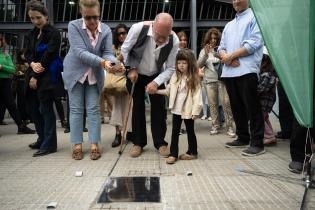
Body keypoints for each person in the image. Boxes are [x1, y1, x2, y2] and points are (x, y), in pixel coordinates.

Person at [63, 0, 117, 160]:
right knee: (76, 110)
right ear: (82, 14)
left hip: (94, 75)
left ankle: (94, 144)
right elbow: (79, 51)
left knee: (94, 110)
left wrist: (112, 63)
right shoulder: (73, 26)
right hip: (74, 73)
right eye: (88, 18)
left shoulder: (106, 29)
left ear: (99, 13)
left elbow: (107, 52)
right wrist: (102, 62)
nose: (92, 21)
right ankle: (77, 145)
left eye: (95, 17)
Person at [121, 12, 179, 158]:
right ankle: (138, 143)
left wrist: (156, 82)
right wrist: (131, 68)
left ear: (170, 30)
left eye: (164, 37)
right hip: (136, 73)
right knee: (138, 107)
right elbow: (125, 49)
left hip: (156, 74)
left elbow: (172, 67)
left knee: (159, 108)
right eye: (158, 35)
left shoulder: (174, 40)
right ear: (153, 26)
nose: (160, 40)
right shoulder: (137, 29)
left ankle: (160, 143)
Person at [218, 0, 265, 156]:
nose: (236, 1)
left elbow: (254, 44)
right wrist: (226, 57)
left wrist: (230, 56)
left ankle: (258, 143)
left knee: (253, 108)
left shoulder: (256, 17)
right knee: (236, 107)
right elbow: (221, 47)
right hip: (230, 71)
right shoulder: (229, 25)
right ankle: (243, 137)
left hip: (247, 70)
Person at [24, 0, 61, 157]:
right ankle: (42, 138)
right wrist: (32, 64)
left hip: (47, 76)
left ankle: (49, 144)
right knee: (33, 109)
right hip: (33, 73)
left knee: (45, 109)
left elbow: (49, 55)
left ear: (45, 15)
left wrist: (35, 75)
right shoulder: (30, 34)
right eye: (32, 18)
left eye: (38, 17)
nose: (35, 21)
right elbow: (26, 53)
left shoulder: (53, 33)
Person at [155, 49, 202, 164]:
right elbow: (169, 91)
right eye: (179, 62)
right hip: (176, 110)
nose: (181, 65)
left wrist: (196, 111)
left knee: (190, 131)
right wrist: (156, 91)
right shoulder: (175, 76)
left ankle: (192, 152)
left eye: (184, 63)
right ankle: (173, 154)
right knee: (174, 132)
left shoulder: (194, 78)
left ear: (190, 63)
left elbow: (197, 96)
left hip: (188, 110)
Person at [0, 35, 35, 135]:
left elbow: (12, 69)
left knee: (11, 104)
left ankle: (21, 126)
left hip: (5, 82)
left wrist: (2, 67)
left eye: (0, 40)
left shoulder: (5, 55)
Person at [109, 23, 131, 147]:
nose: (122, 35)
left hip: (129, 79)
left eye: (124, 33)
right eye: (119, 33)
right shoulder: (113, 48)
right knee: (117, 108)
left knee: (130, 108)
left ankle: (129, 132)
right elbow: (110, 65)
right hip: (117, 80)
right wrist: (119, 61)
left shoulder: (131, 46)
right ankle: (118, 133)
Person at [257, 48, 277, 146]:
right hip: (268, 101)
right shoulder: (270, 75)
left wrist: (253, 91)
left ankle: (269, 136)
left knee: (261, 118)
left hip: (264, 101)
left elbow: (262, 88)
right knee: (265, 118)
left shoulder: (266, 75)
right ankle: (271, 134)